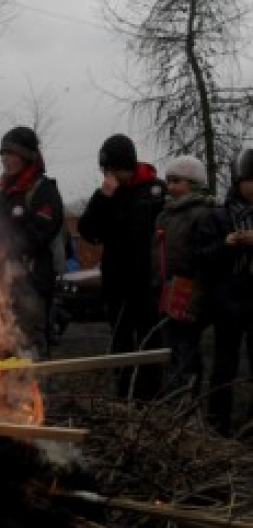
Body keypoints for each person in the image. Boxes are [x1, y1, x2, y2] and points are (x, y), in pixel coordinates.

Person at [78, 134, 166, 400]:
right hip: (117, 282)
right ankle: (124, 396)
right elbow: (88, 231)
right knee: (121, 342)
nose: (111, 175)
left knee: (150, 341)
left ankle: (150, 399)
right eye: (106, 170)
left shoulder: (154, 190)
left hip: (147, 283)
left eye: (114, 170)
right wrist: (102, 197)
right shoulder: (109, 194)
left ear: (127, 165)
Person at [0, 126, 64, 358]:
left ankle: (40, 394)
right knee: (3, 350)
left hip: (32, 286)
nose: (5, 160)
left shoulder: (44, 190)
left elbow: (39, 235)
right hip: (2, 286)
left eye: (11, 154)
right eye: (3, 154)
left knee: (30, 351)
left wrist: (6, 243)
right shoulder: (2, 192)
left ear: (26, 156)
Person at [195, 149, 253, 436]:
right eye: (250, 181)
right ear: (237, 182)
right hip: (228, 302)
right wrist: (226, 244)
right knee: (224, 367)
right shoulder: (219, 217)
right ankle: (218, 425)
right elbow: (202, 256)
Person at [152, 155, 214, 398]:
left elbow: (205, 263)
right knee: (170, 350)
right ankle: (173, 399)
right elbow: (156, 253)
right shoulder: (164, 215)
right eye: (168, 180)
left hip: (188, 295)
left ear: (193, 183)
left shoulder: (202, 214)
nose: (170, 186)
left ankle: (187, 402)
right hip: (167, 292)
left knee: (186, 350)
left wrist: (195, 300)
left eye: (176, 181)